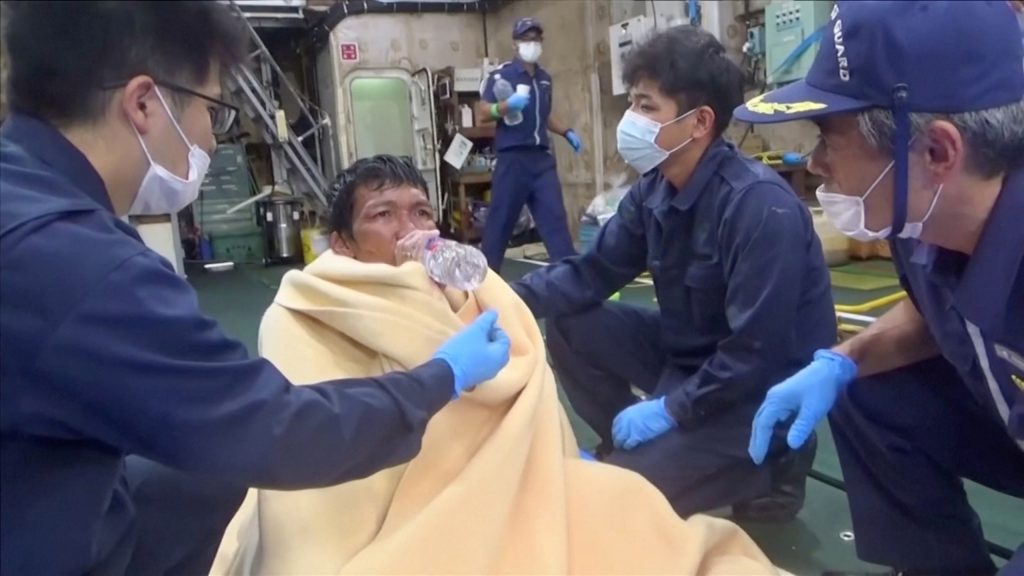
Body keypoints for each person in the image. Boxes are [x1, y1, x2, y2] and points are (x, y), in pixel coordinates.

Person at [0, 3, 509, 575]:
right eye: (212, 114)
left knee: (198, 474)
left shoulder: (24, 193)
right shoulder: (87, 268)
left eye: (419, 211)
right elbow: (277, 428)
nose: (213, 143)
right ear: (144, 104)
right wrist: (443, 376)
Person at [211, 154, 778, 576]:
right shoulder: (309, 308)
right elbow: (321, 444)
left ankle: (775, 475)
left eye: (421, 211)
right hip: (403, 503)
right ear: (343, 244)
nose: (411, 229)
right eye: (382, 215)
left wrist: (546, 447)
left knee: (631, 506)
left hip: (525, 472)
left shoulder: (467, 292)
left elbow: (521, 373)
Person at [735, 1, 1024, 574]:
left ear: (937, 152)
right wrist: (843, 361)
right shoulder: (921, 218)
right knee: (869, 383)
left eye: (828, 137)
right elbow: (934, 311)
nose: (815, 164)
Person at [511, 24, 836, 521]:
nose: (630, 120)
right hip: (693, 361)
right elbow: (593, 273)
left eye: (646, 107)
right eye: (633, 104)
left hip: (757, 389)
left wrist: (670, 410)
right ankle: (631, 445)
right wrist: (501, 298)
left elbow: (756, 353)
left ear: (700, 121)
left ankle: (777, 465)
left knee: (623, 503)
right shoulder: (654, 190)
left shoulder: (757, 207)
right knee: (574, 323)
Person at [476, 17, 581, 272]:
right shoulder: (501, 76)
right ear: (515, 43)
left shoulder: (544, 79)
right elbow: (482, 114)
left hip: (541, 160)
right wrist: (506, 106)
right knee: (499, 224)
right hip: (513, 159)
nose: (531, 44)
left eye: (535, 39)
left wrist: (566, 132)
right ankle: (484, 283)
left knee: (556, 222)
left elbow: (545, 114)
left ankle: (570, 285)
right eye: (526, 39)